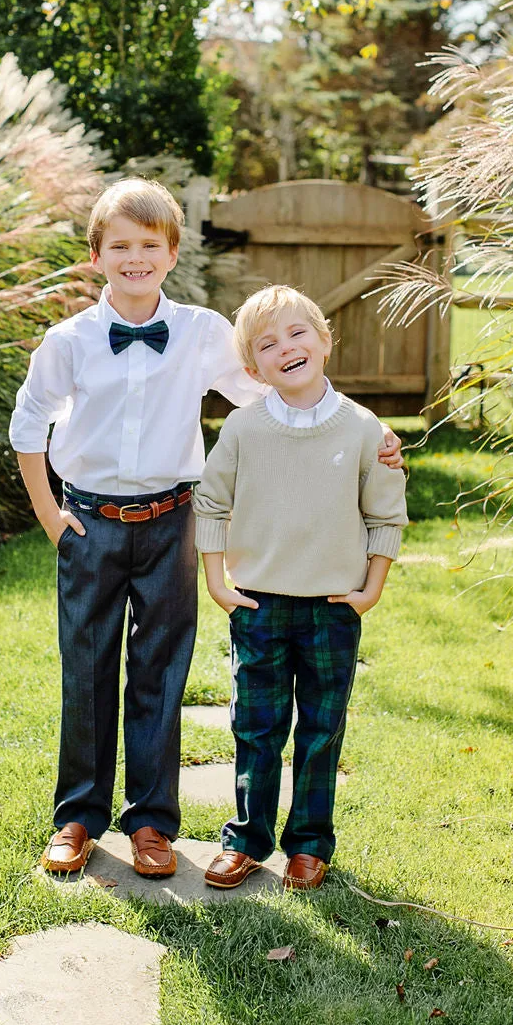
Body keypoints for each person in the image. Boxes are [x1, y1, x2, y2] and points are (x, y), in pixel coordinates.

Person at [10, 181, 404, 879]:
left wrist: (367, 432)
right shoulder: (68, 340)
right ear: (98, 255)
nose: (136, 258)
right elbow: (29, 418)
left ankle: (153, 823)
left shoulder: (200, 332)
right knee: (89, 669)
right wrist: (48, 512)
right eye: (121, 246)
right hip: (90, 522)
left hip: (173, 522)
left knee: (161, 671)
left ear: (171, 252)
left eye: (149, 246)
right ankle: (78, 816)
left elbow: (270, 392)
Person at [193, 283, 409, 892]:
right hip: (258, 604)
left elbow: (386, 515)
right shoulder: (242, 429)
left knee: (321, 728)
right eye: (268, 344)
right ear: (251, 366)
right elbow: (209, 501)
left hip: (333, 609)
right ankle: (246, 839)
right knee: (256, 727)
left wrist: (371, 589)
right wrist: (217, 579)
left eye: (297, 333)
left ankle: (310, 843)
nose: (286, 348)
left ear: (324, 340)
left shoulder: (366, 431)